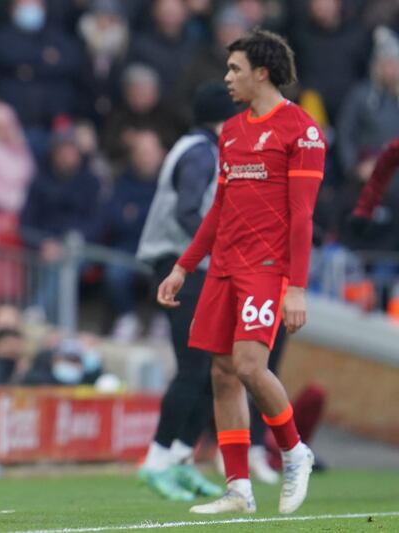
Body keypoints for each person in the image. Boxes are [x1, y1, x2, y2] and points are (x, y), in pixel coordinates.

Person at [157, 30, 324, 515]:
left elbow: (303, 215)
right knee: (223, 373)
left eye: (234, 69)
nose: (227, 78)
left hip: (267, 271)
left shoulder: (301, 130)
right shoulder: (231, 131)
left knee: (251, 366)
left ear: (262, 72)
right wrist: (184, 267)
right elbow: (219, 210)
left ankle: (294, 451)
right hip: (224, 267)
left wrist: (296, 288)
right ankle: (239, 489)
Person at [136, 81, 237, 502]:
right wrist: (223, 247)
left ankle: (179, 459)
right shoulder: (200, 152)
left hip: (192, 267)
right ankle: (156, 461)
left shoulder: (198, 148)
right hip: (182, 266)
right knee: (194, 367)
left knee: (211, 368)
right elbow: (187, 210)